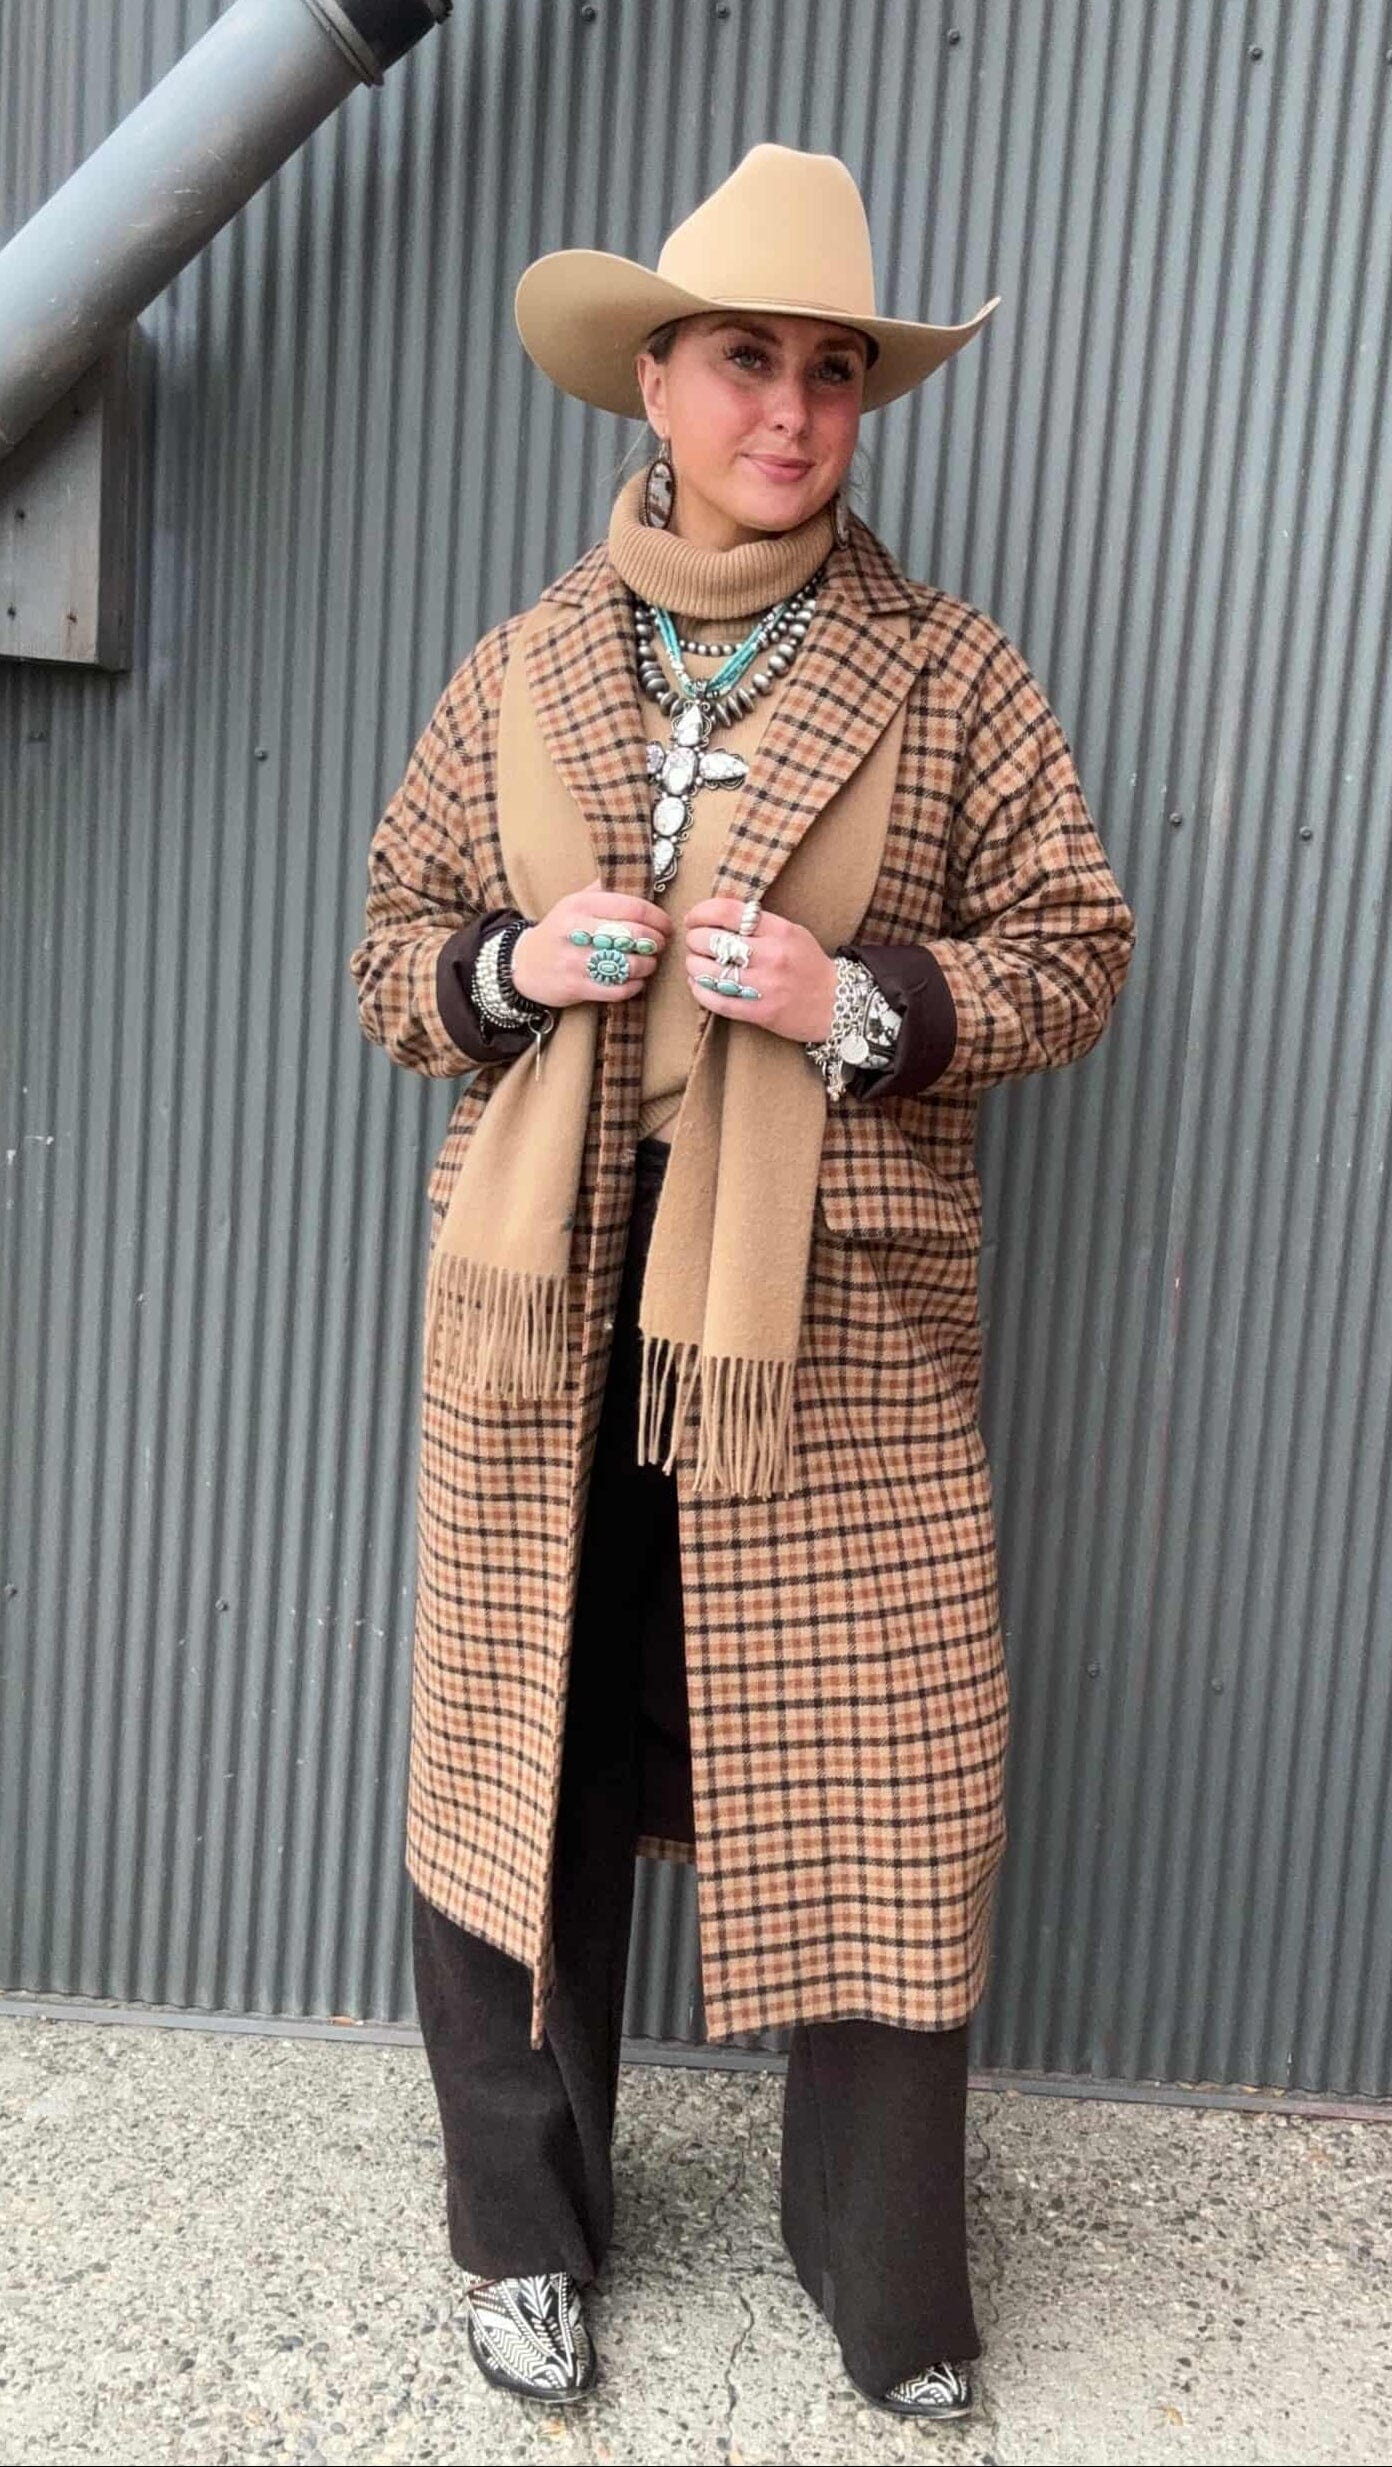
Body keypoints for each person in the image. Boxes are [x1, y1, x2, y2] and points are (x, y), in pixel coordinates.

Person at [348, 141, 1136, 2422]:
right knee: (522, 1750)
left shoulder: (948, 670)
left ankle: (876, 2269)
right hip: (546, 1304)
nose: (788, 411)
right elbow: (393, 952)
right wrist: (510, 964)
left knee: (894, 1759)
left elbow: (1077, 950)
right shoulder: (523, 666)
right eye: (743, 361)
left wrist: (853, 995)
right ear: (655, 383)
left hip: (829, 1321)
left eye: (830, 371)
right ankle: (525, 2231)